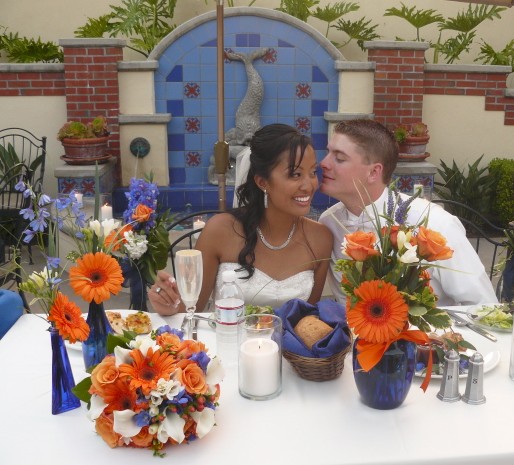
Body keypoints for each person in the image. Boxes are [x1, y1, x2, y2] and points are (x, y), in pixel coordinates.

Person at [150, 123, 333, 316]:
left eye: (312, 172)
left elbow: (308, 322)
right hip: (224, 341)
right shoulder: (221, 230)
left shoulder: (320, 238)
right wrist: (168, 303)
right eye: (295, 174)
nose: (309, 185)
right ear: (263, 182)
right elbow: (190, 309)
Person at [319, 119, 498, 307]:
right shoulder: (328, 224)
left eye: (339, 158)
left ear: (373, 172)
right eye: (327, 153)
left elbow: (483, 307)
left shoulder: (435, 225)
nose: (323, 163)